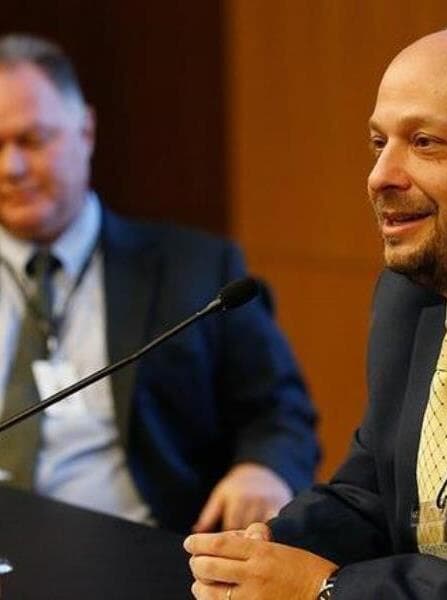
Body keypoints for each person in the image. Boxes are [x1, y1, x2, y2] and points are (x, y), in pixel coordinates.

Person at [184, 21, 447, 599]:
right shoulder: (412, 294)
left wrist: (324, 590)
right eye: (380, 143)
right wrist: (261, 552)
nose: (380, 176)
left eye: (425, 142)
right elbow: (371, 495)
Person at [0, 33, 319, 534]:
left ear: (86, 130)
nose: (11, 167)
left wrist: (263, 469)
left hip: (139, 548)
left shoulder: (195, 269)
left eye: (32, 140)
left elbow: (279, 412)